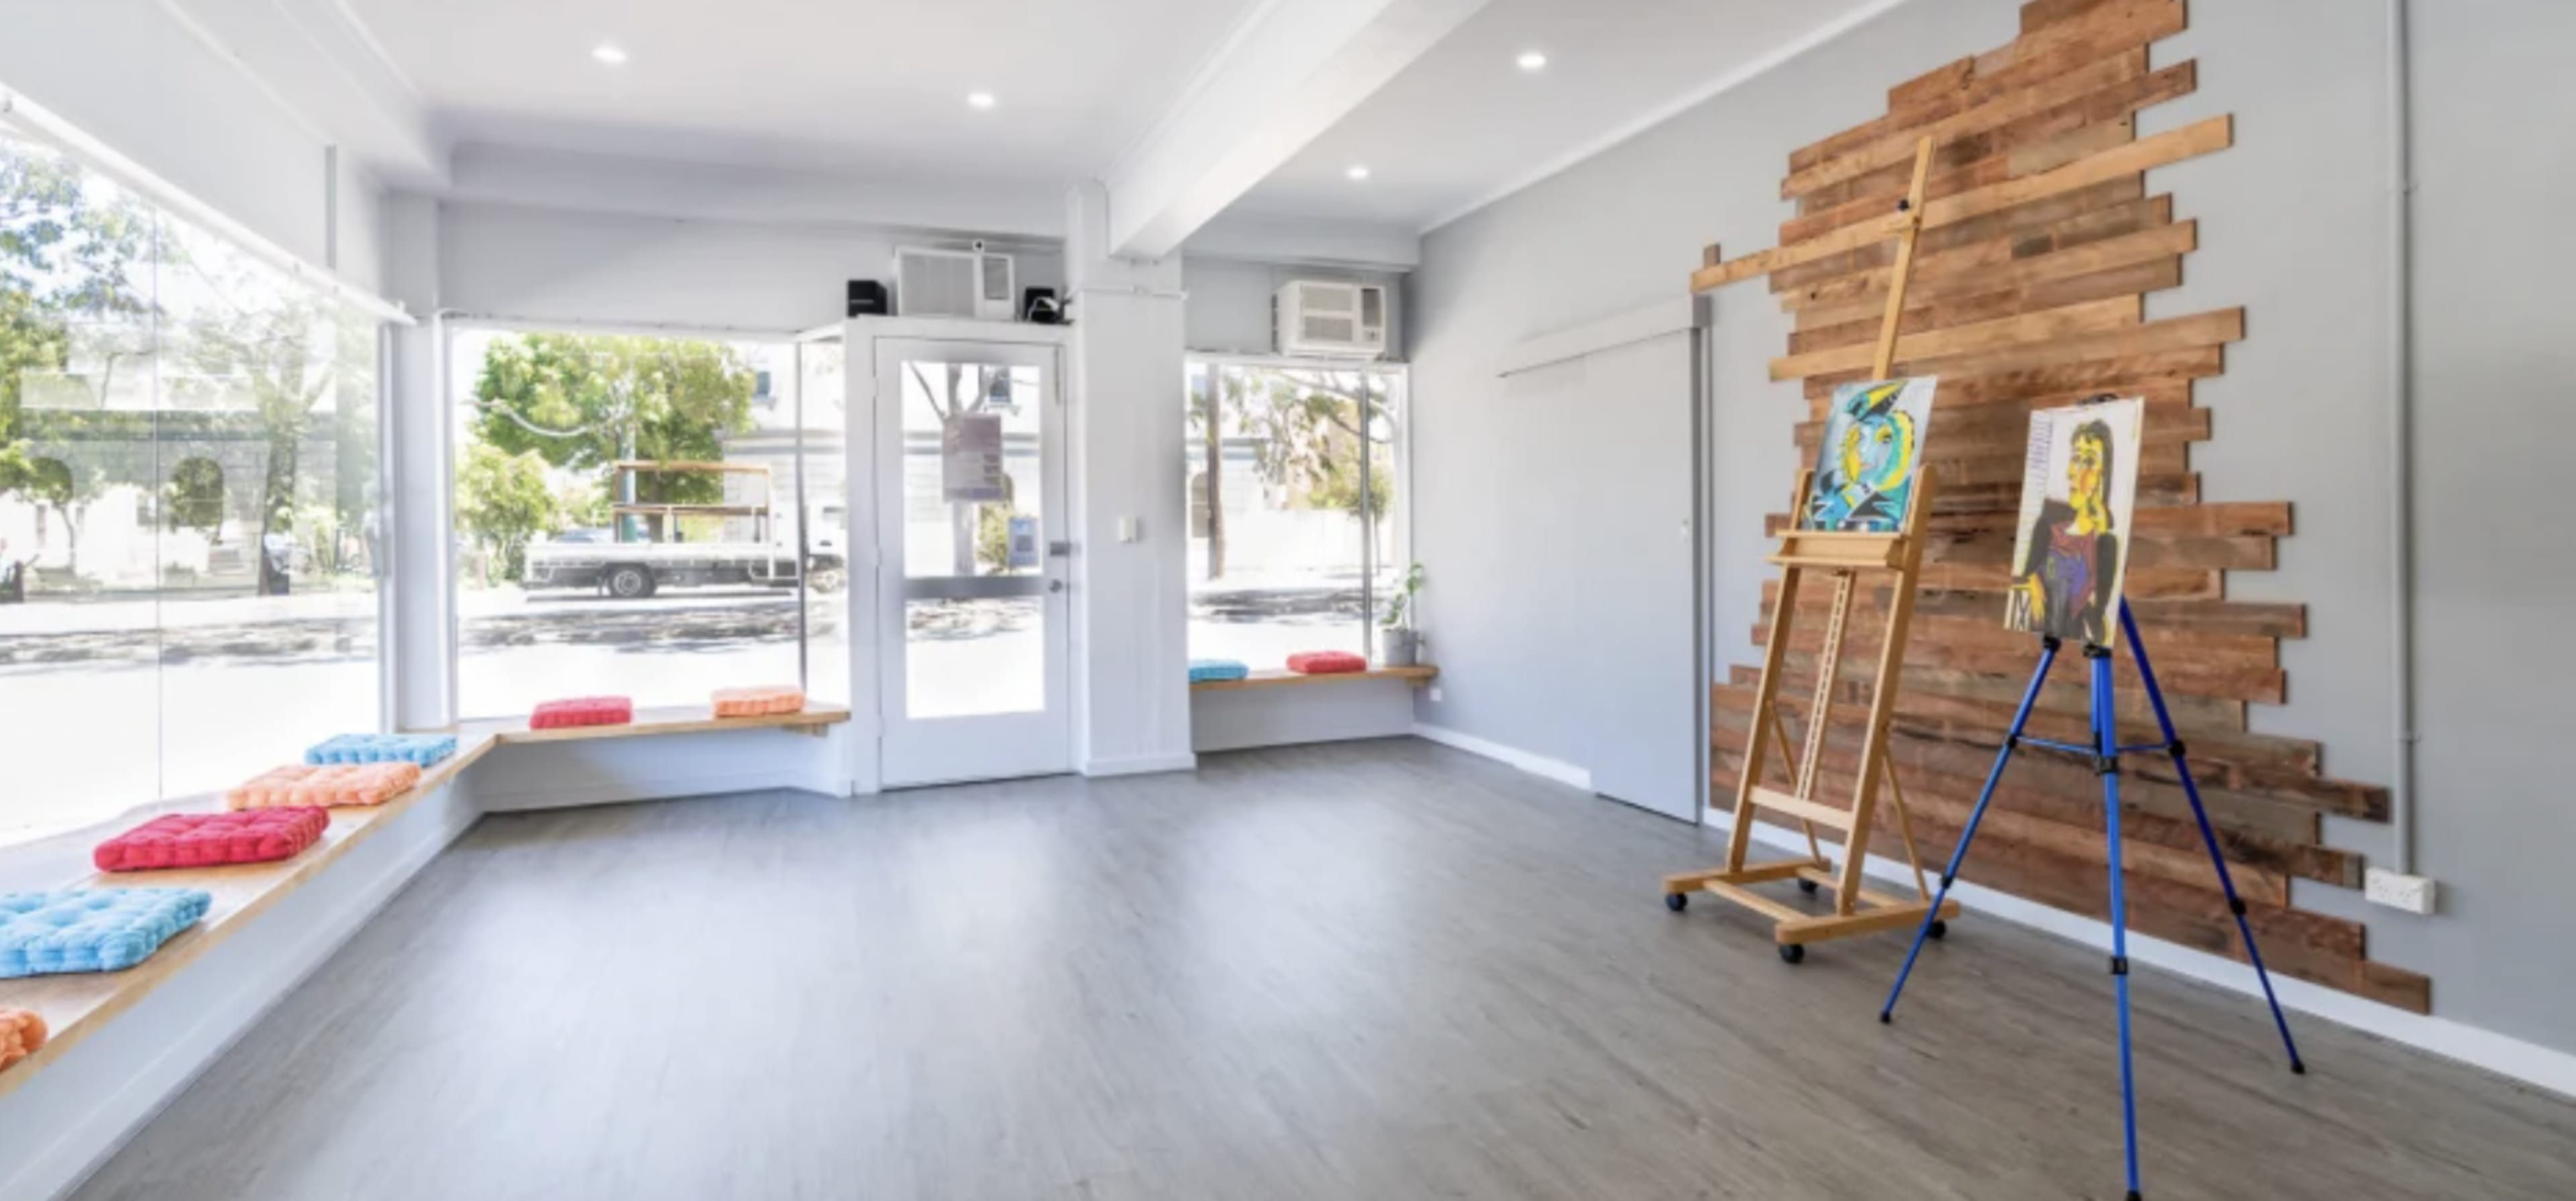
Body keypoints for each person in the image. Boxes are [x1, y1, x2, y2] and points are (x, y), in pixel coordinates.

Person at [2015, 418, 2121, 645]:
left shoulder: (2106, 544)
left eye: (2089, 462)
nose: (2076, 472)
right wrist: (2032, 581)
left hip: (2076, 640)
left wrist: (2099, 532)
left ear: (2103, 477)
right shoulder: (2046, 525)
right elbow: (2026, 576)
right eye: (2076, 458)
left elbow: (2098, 616)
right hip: (2040, 631)